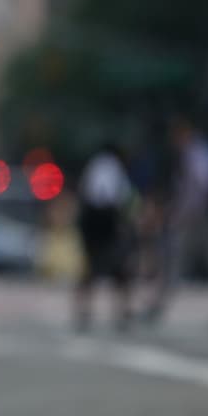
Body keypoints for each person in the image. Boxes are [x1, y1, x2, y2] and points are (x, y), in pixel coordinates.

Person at [141, 115, 208, 328]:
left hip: (203, 216)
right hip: (197, 215)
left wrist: (182, 212)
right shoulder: (192, 153)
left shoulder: (197, 153)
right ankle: (159, 303)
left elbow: (202, 185)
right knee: (179, 258)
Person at [73, 142, 136, 331]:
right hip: (106, 222)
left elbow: (87, 194)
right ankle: (122, 312)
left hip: (91, 223)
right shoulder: (113, 167)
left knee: (90, 269)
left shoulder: (93, 165)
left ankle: (84, 311)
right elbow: (116, 198)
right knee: (120, 269)